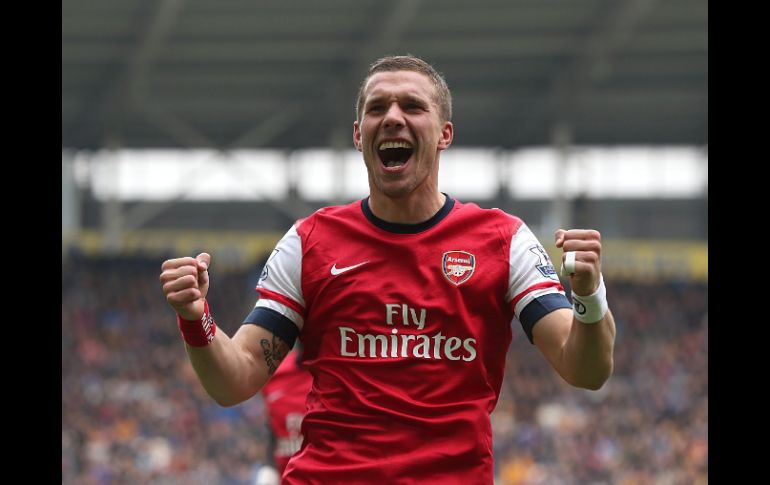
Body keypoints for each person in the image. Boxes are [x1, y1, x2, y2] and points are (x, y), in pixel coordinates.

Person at [160, 55, 616, 484]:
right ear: (359, 135)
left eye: (413, 106)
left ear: (444, 133)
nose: (393, 116)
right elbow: (236, 377)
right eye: (378, 107)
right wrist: (194, 316)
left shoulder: (503, 240)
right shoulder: (309, 242)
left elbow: (585, 370)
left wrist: (590, 296)